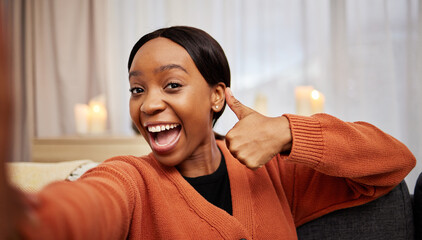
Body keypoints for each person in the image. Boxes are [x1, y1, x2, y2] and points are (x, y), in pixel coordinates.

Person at [2, 26, 415, 239]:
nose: (147, 105)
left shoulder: (275, 173)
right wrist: (31, 221)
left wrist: (288, 133)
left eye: (173, 85)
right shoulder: (130, 179)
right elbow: (88, 205)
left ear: (217, 96)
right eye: (136, 89)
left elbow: (395, 161)